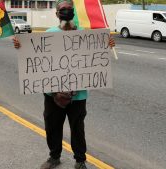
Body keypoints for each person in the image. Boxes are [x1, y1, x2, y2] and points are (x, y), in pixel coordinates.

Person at [13, 0, 115, 168]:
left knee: (77, 128)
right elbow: (36, 57)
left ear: (73, 12)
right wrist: (20, 46)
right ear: (56, 13)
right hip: (52, 94)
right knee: (52, 127)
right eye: (63, 9)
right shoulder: (49, 33)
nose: (66, 11)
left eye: (69, 9)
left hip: (78, 94)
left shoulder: (85, 34)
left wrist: (108, 44)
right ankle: (54, 157)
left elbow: (97, 54)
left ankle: (80, 160)